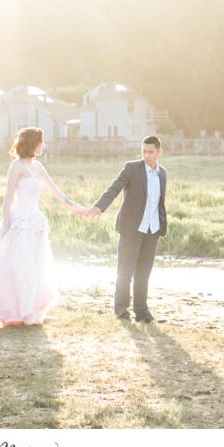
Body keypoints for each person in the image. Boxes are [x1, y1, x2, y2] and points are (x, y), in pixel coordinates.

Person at [0, 127, 86, 325]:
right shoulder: (17, 166)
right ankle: (14, 312)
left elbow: (56, 191)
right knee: (15, 268)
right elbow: (8, 196)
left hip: (35, 222)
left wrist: (77, 209)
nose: (43, 145)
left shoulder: (38, 167)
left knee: (35, 267)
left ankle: (34, 312)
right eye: (41, 141)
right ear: (32, 143)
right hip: (19, 222)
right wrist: (7, 226)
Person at [86, 135, 167, 323]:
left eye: (150, 152)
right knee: (125, 272)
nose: (146, 155)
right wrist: (99, 206)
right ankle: (121, 311)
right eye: (143, 151)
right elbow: (114, 188)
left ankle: (142, 312)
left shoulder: (162, 173)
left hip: (153, 230)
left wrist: (161, 226)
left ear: (159, 153)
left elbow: (159, 203)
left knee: (143, 274)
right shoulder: (131, 168)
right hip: (131, 228)